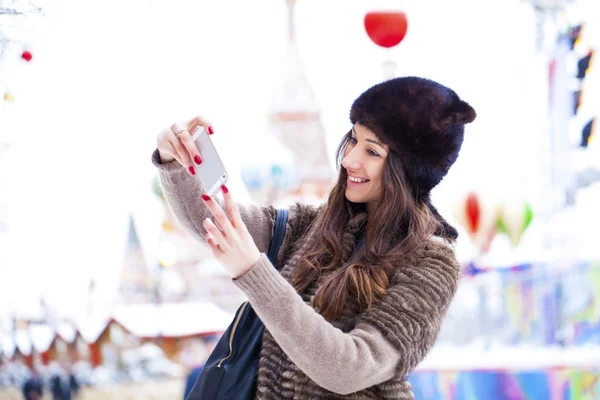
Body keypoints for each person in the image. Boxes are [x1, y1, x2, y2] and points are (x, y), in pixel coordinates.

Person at [152, 77, 476, 399]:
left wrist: (254, 271)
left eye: (372, 151)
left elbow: (349, 368)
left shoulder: (432, 266)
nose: (349, 159)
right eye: (353, 139)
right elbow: (210, 222)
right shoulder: (310, 226)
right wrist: (173, 162)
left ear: (408, 170)